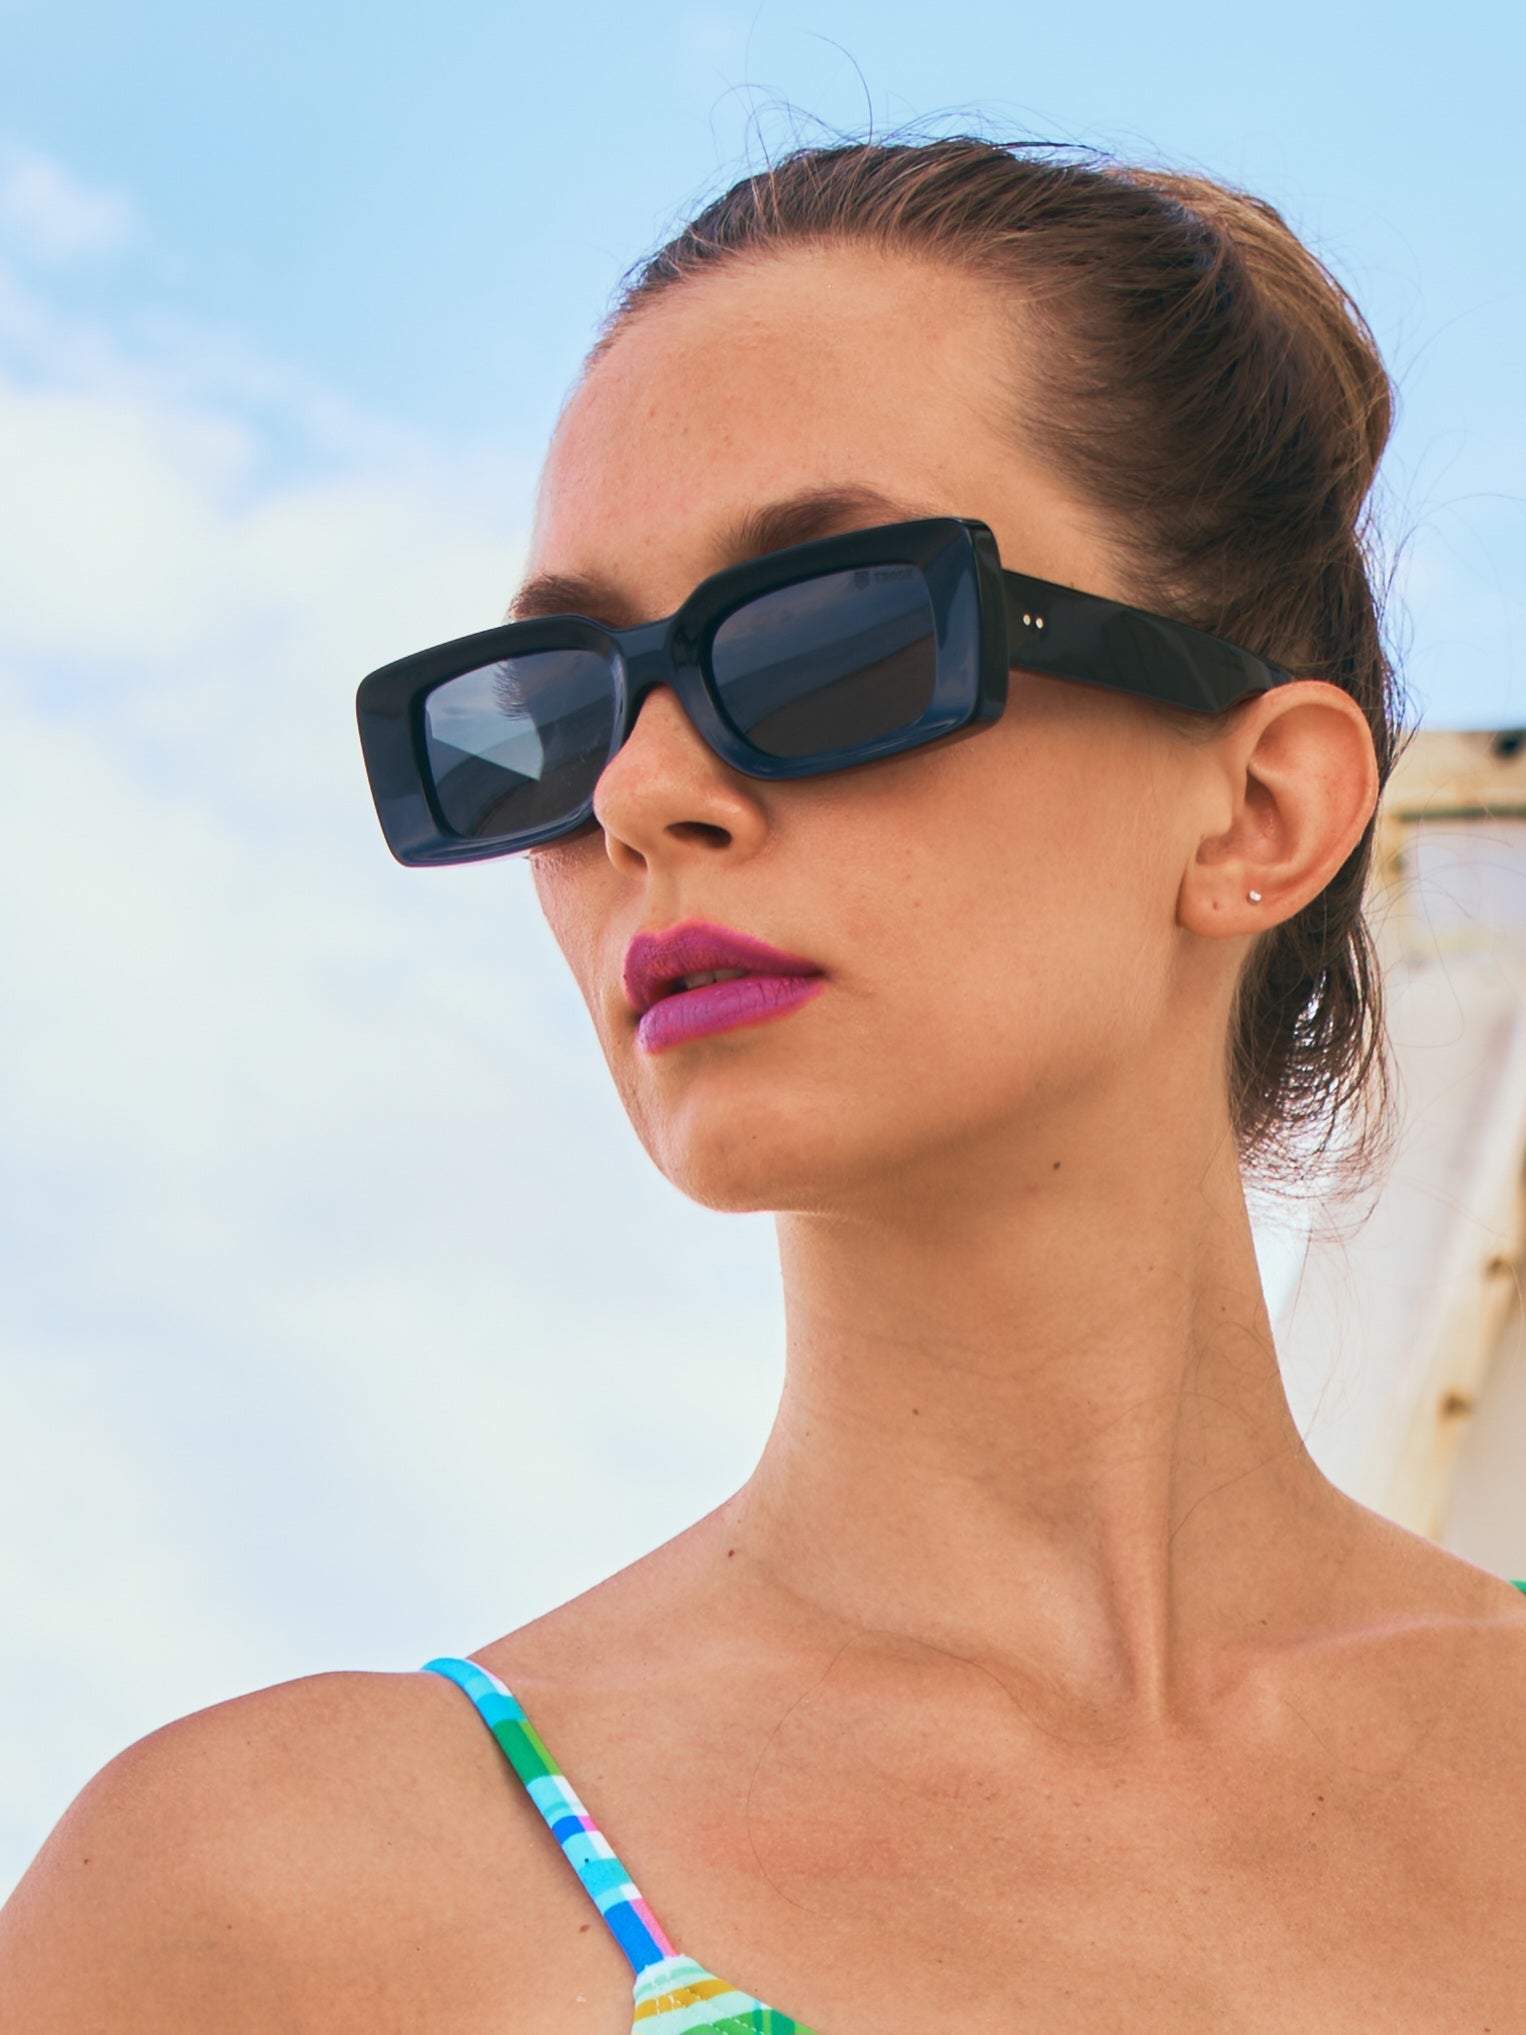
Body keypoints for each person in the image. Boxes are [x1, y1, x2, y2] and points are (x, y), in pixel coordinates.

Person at [3, 135, 1523, 2034]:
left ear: (1259, 806)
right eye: (549, 708)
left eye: (831, 638)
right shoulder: (261, 1912)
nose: (642, 791)